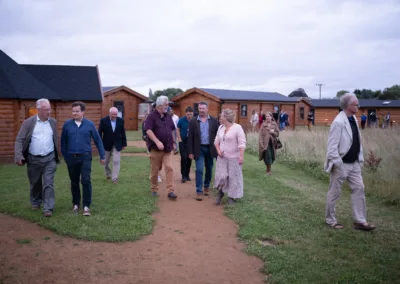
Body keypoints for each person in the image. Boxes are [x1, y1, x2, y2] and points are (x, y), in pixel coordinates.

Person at [324, 93, 375, 231]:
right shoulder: (338, 122)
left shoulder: (353, 119)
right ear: (347, 105)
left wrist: (359, 158)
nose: (358, 106)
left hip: (354, 164)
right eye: (356, 104)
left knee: (359, 188)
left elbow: (356, 140)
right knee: (334, 192)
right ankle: (330, 220)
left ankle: (360, 221)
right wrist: (338, 163)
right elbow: (332, 147)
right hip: (341, 164)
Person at [14, 98, 59, 217]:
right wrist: (18, 155)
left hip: (49, 158)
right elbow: (20, 139)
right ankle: (36, 201)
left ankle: (48, 208)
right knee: (35, 183)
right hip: (33, 159)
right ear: (38, 110)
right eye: (46, 110)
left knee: (48, 183)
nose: (49, 112)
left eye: (49, 109)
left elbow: (55, 139)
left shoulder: (53, 122)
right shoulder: (28, 123)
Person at [61, 101, 105, 216]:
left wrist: (102, 155)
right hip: (71, 158)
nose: (74, 113)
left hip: (85, 157)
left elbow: (98, 140)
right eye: (73, 111)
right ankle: (76, 204)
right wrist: (66, 157)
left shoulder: (89, 125)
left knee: (85, 180)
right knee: (74, 182)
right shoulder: (67, 125)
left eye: (77, 111)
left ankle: (86, 206)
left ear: (83, 112)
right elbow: (63, 142)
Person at [144, 96, 177, 199]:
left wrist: (174, 142)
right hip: (155, 149)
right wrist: (157, 141)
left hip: (167, 148)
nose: (168, 106)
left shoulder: (168, 116)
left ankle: (170, 191)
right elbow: (148, 130)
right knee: (155, 171)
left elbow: (171, 130)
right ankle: (154, 189)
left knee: (169, 167)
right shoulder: (151, 116)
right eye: (166, 105)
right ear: (159, 106)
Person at [214, 109, 246, 205]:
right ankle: (220, 193)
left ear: (226, 117)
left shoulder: (237, 128)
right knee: (221, 176)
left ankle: (232, 197)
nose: (220, 117)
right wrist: (219, 151)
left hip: (234, 158)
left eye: (222, 116)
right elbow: (216, 142)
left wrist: (241, 156)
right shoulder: (220, 127)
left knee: (233, 178)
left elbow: (242, 143)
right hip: (222, 158)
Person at [188, 101, 219, 201]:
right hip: (199, 149)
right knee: (199, 169)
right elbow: (190, 138)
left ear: (207, 109)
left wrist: (218, 149)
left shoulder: (214, 121)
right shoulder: (193, 121)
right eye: (200, 108)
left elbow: (218, 136)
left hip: (210, 149)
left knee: (209, 168)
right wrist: (190, 152)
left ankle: (206, 186)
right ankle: (199, 191)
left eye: (203, 108)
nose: (201, 110)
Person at [98, 107, 127, 184]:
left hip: (117, 144)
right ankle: (108, 174)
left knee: (116, 161)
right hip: (106, 144)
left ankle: (115, 178)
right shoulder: (103, 121)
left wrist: (124, 143)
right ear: (109, 113)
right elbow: (99, 133)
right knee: (106, 162)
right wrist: (100, 144)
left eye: (116, 114)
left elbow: (123, 132)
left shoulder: (121, 121)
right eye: (113, 114)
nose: (114, 116)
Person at [177, 106, 194, 183]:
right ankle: (183, 175)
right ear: (185, 113)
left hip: (191, 142)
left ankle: (187, 175)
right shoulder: (181, 120)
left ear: (192, 114)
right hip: (183, 141)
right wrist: (179, 139)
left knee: (189, 158)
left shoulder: (194, 121)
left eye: (190, 114)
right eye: (188, 114)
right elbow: (177, 130)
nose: (189, 116)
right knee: (183, 158)